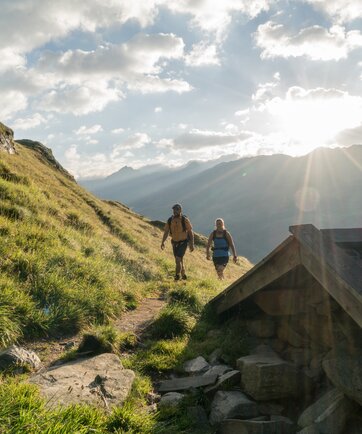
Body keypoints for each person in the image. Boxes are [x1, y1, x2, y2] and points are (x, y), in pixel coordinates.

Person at [161, 203, 194, 281]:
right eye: (173, 210)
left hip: (183, 243)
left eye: (176, 209)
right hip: (174, 243)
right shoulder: (170, 220)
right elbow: (166, 232)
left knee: (178, 259)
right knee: (180, 260)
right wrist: (163, 242)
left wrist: (192, 244)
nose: (174, 211)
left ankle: (177, 276)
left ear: (180, 210)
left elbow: (190, 232)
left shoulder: (184, 219)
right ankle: (183, 274)